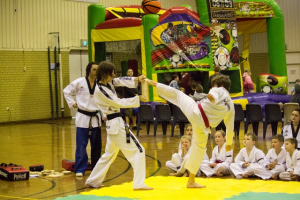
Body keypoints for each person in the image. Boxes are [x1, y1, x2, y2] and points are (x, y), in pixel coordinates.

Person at [147, 74, 235, 188]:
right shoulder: (231, 106)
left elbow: (214, 94)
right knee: (199, 151)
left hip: (195, 112)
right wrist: (228, 143)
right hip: (203, 126)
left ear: (220, 85)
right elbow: (230, 127)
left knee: (178, 95)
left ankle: (155, 84)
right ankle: (191, 181)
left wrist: (212, 96)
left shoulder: (219, 89)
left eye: (213, 86)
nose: (212, 88)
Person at [85, 61, 153, 190]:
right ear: (106, 74)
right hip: (116, 123)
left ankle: (93, 180)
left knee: (109, 154)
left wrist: (137, 79)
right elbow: (117, 102)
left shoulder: (108, 82)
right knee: (139, 151)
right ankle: (139, 183)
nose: (114, 75)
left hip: (114, 124)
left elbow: (120, 80)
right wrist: (138, 99)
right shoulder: (100, 90)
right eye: (112, 73)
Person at [63, 62, 103, 177]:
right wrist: (72, 103)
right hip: (83, 118)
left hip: (96, 118)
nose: (96, 72)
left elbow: (103, 101)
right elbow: (66, 91)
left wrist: (104, 114)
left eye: (97, 70)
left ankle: (96, 168)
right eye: (94, 69)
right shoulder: (79, 82)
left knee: (96, 146)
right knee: (81, 145)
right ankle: (80, 169)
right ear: (89, 70)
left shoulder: (100, 84)